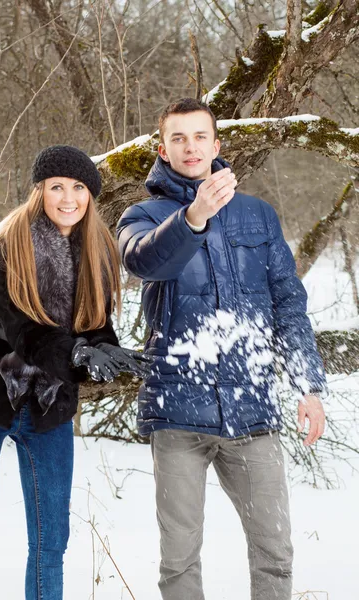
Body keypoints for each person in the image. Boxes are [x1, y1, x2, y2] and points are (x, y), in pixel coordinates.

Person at [117, 99, 328, 600]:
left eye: (199, 137)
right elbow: (144, 263)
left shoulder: (258, 215)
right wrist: (193, 218)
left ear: (217, 144)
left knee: (274, 550)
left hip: (252, 412)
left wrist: (308, 385)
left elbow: (287, 303)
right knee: (180, 558)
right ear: (162, 149)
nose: (190, 147)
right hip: (177, 415)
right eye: (178, 138)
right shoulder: (142, 215)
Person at [0, 145, 151, 600]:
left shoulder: (98, 252)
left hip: (51, 405)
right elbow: (24, 333)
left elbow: (96, 326)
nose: (68, 197)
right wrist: (80, 354)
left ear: (91, 194)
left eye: (79, 187)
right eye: (57, 187)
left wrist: (108, 351)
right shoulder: (9, 247)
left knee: (50, 542)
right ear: (39, 191)